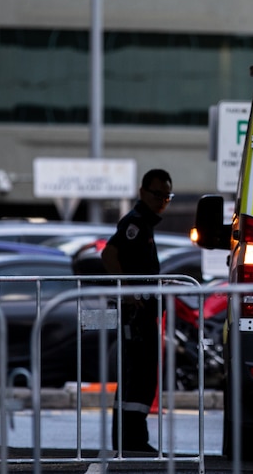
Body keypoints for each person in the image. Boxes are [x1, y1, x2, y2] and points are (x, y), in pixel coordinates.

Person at [101, 168, 173, 452]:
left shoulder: (144, 224)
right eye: (157, 194)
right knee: (137, 375)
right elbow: (109, 254)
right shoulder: (135, 223)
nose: (163, 200)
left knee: (141, 375)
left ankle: (131, 439)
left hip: (143, 312)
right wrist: (128, 292)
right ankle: (131, 441)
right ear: (142, 192)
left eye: (167, 196)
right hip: (136, 314)